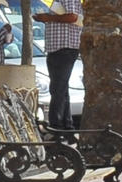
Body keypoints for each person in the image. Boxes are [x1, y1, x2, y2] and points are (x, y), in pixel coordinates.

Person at [33, 0, 82, 130]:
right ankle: (66, 126)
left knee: (57, 89)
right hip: (56, 48)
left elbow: (72, 16)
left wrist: (48, 18)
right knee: (61, 89)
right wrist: (45, 18)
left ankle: (56, 126)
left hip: (64, 48)